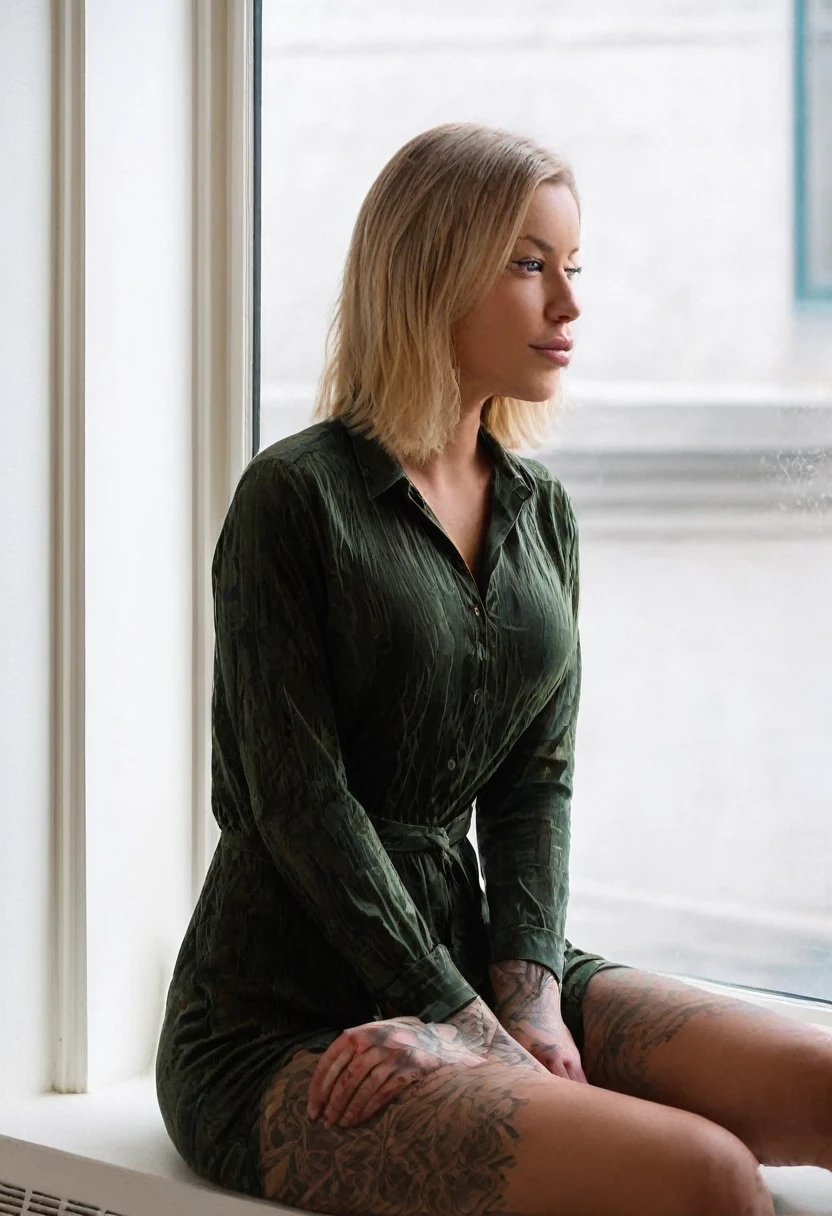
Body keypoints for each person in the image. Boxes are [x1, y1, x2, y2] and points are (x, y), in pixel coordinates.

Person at [156, 123, 789, 1216]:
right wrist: (453, 1013)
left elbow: (534, 782)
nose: (569, 305)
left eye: (572, 268)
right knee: (708, 1178)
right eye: (529, 265)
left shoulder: (541, 512)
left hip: (477, 963)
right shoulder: (294, 498)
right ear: (432, 269)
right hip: (276, 1016)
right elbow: (296, 803)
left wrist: (526, 1002)